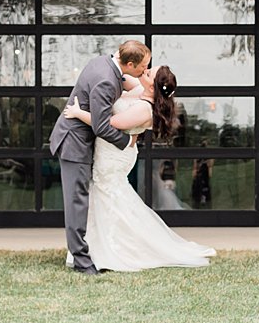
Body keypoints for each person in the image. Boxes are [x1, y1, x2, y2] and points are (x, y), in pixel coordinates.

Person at [58, 62, 215, 272]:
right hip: (112, 149)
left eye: (149, 73)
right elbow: (120, 74)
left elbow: (109, 123)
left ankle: (115, 248)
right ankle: (96, 246)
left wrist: (78, 113)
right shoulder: (142, 88)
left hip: (115, 156)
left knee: (108, 194)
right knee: (106, 196)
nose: (145, 71)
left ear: (152, 87)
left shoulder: (144, 109)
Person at [48, 40, 149, 274]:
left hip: (79, 141)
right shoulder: (106, 80)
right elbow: (102, 126)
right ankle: (82, 262)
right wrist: (128, 141)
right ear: (130, 64)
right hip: (74, 144)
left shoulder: (103, 62)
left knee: (80, 199)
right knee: (77, 202)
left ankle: (86, 253)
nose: (145, 70)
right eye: (143, 66)